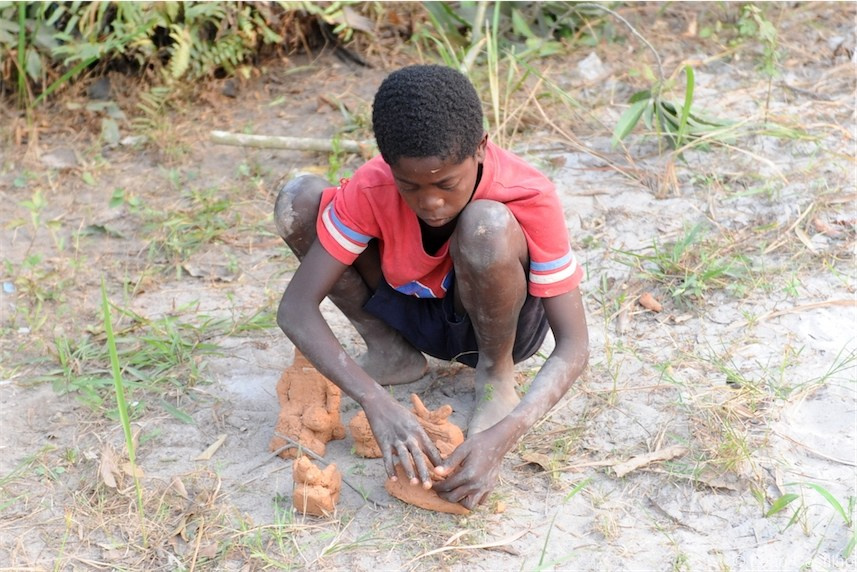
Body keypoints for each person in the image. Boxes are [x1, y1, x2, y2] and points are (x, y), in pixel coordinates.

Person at [274, 64, 589, 510]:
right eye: (410, 186)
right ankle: (392, 352)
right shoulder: (374, 185)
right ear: (389, 165)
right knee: (300, 200)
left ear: (480, 148)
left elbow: (574, 345)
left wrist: (506, 433)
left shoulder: (527, 192)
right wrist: (375, 402)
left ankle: (495, 379)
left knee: (485, 225)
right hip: (411, 308)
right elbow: (295, 308)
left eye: (446, 183)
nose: (431, 202)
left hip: (496, 324)